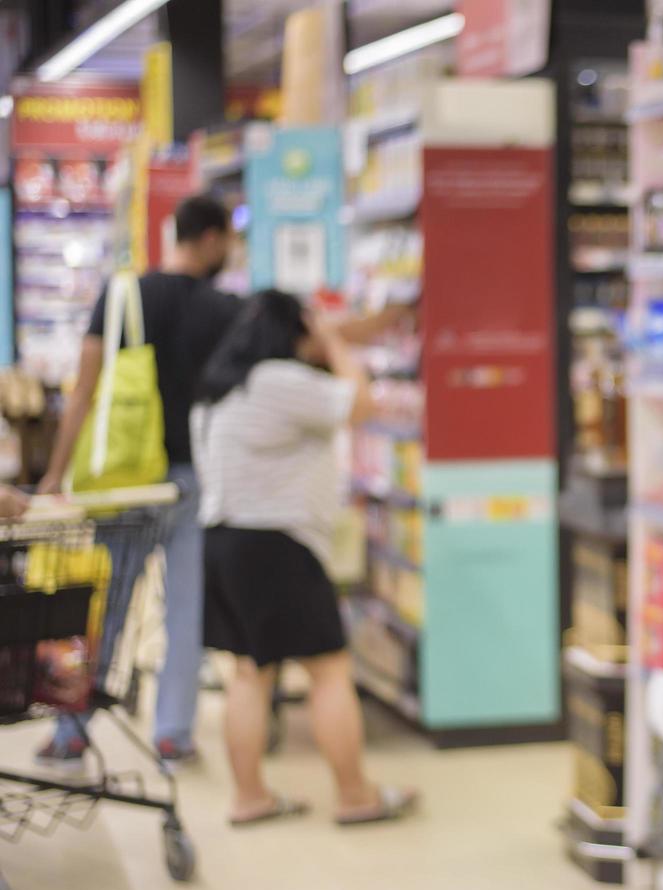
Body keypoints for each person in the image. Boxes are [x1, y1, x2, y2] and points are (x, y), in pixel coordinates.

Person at [192, 289, 416, 826]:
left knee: (250, 674)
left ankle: (250, 797)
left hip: (223, 543)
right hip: (277, 545)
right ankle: (355, 794)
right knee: (329, 671)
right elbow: (358, 404)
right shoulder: (277, 381)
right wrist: (337, 341)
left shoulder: (217, 390)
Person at [37, 195, 242, 767]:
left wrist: (56, 473)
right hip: (191, 479)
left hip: (125, 481)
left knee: (106, 606)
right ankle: (174, 732)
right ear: (210, 239)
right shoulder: (225, 309)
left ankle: (72, 727)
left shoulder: (124, 293)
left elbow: (83, 390)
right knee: (184, 612)